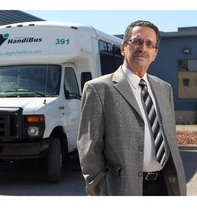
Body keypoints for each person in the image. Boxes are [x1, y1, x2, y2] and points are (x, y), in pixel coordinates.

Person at [77, 20, 187, 196]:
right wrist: (98, 187)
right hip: (122, 188)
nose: (143, 48)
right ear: (123, 48)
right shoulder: (98, 89)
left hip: (165, 185)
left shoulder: (164, 88)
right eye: (136, 41)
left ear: (155, 53)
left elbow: (169, 138)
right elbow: (89, 148)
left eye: (149, 44)